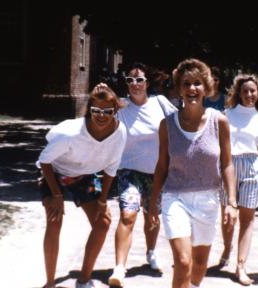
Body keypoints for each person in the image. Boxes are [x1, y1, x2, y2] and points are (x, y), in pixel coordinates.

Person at [149, 58, 238, 288]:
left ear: (206, 87)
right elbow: (161, 165)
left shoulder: (220, 122)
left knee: (199, 267)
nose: (192, 89)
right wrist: (152, 202)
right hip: (175, 198)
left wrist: (231, 203)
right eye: (186, 83)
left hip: (208, 200)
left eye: (197, 83)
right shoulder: (166, 125)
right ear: (179, 88)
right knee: (183, 261)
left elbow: (227, 164)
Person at [37, 83, 127, 288]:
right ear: (89, 110)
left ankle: (84, 279)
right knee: (54, 220)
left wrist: (103, 200)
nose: (102, 116)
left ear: (116, 111)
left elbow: (111, 169)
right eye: (96, 110)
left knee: (103, 222)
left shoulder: (120, 132)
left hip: (85, 174)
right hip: (54, 172)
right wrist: (56, 196)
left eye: (107, 111)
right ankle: (50, 283)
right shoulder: (71, 133)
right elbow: (45, 161)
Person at [108, 62, 177, 287]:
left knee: (152, 216)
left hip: (157, 173)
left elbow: (180, 123)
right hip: (129, 172)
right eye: (130, 80)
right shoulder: (120, 107)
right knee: (128, 215)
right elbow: (96, 110)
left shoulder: (160, 103)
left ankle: (151, 252)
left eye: (139, 80)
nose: (135, 84)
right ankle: (119, 268)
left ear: (148, 83)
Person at [218, 73, 258, 285]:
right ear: (239, 93)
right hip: (228, 167)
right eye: (245, 91)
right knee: (228, 217)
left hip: (252, 168)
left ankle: (241, 266)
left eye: (253, 91)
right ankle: (226, 247)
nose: (249, 94)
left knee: (247, 220)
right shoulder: (226, 115)